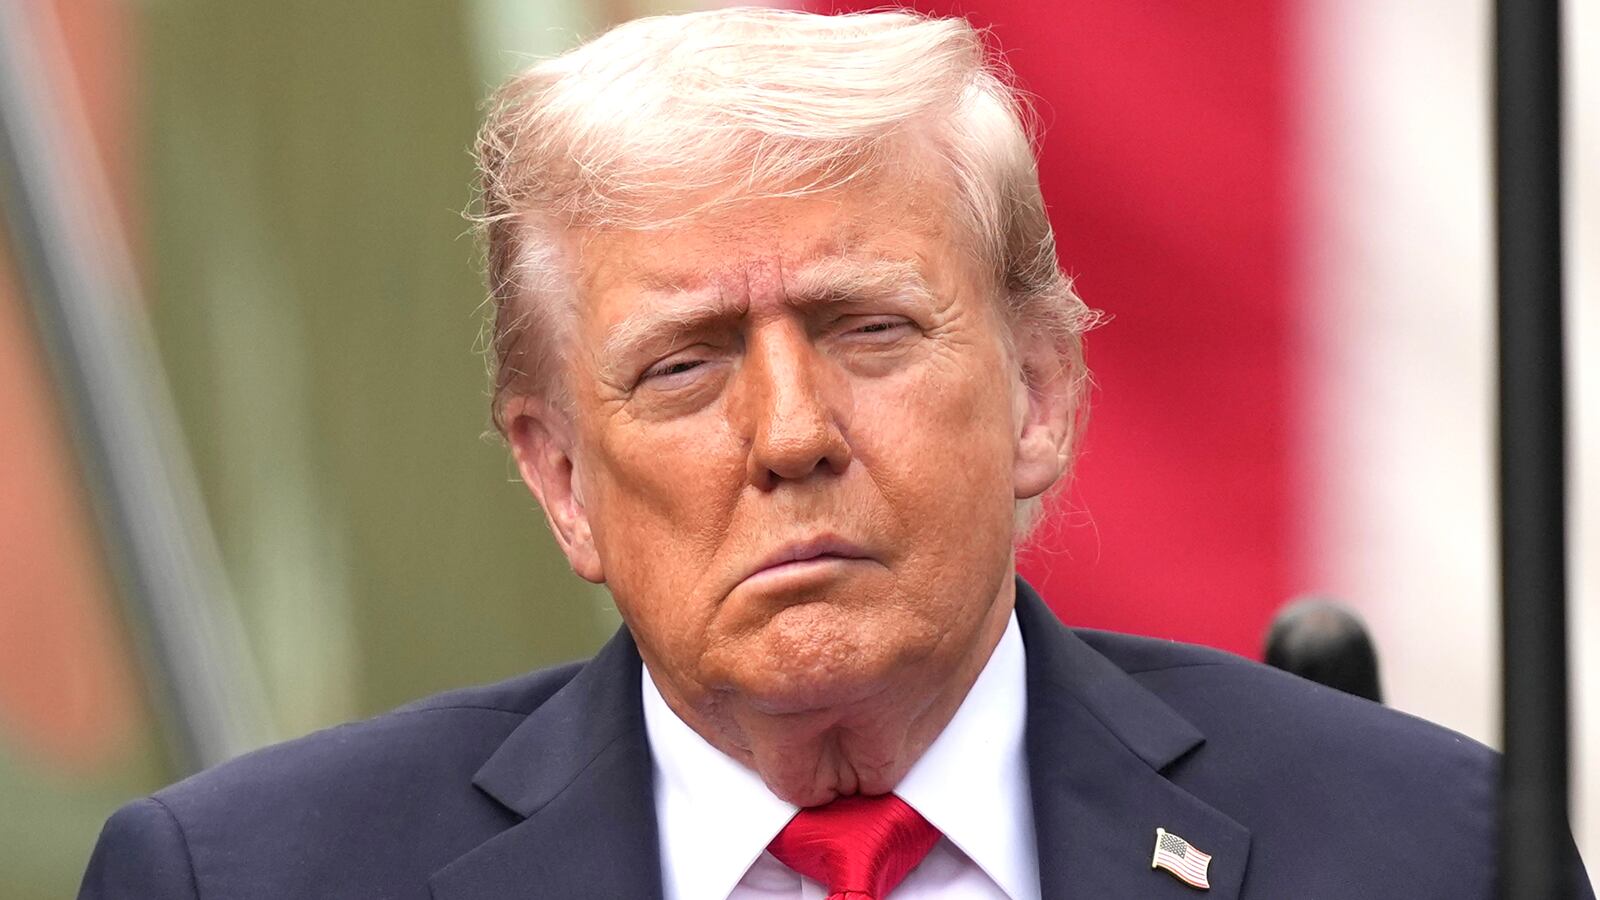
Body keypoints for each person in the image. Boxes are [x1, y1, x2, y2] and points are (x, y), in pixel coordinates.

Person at [80, 8, 1591, 899]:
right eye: (684, 369)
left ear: (1041, 391)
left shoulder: (1420, 854)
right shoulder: (251, 882)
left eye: (867, 329)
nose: (791, 436)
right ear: (556, 478)